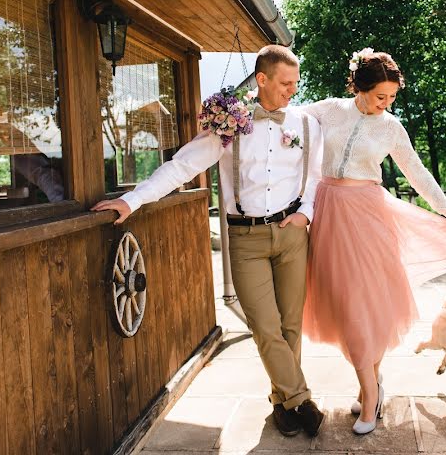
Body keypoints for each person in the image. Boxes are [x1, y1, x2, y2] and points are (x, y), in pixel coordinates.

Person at [92, 45, 326, 438]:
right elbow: (183, 164)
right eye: (285, 83)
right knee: (265, 326)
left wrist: (306, 213)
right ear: (262, 80)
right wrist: (132, 200)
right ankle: (302, 398)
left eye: (296, 84)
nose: (292, 91)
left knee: (289, 326)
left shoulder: (306, 124)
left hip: (291, 234)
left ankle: (283, 402)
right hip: (246, 237)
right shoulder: (229, 122)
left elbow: (317, 176)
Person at [299, 49, 446, 435]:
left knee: (363, 305)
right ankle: (374, 383)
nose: (386, 104)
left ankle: (370, 394)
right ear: (359, 88)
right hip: (329, 213)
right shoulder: (328, 110)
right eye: (380, 96)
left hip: (368, 218)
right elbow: (287, 117)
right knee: (341, 303)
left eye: (392, 98)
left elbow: (417, 172)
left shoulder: (391, 127)